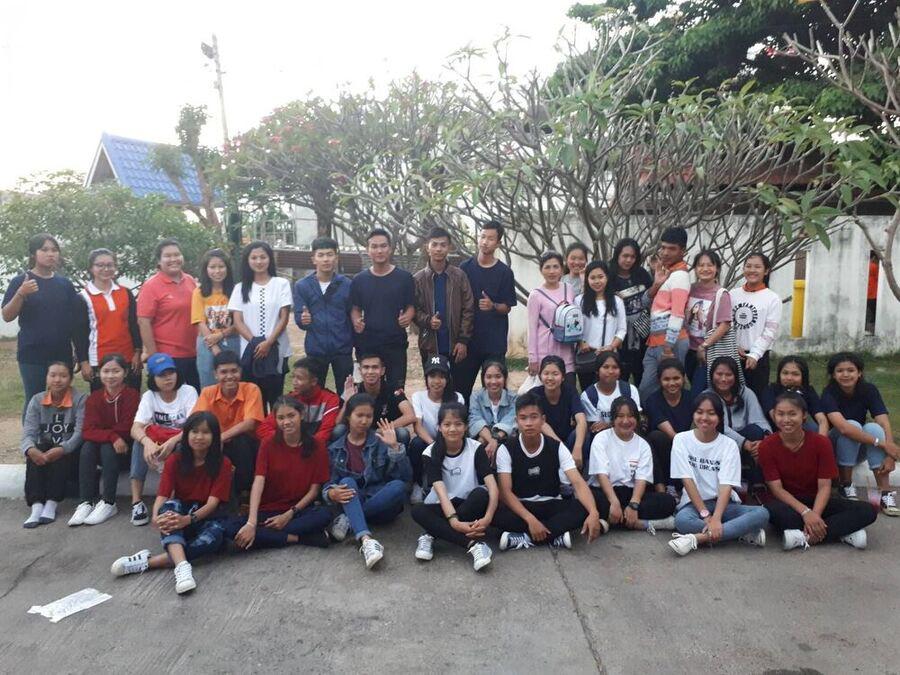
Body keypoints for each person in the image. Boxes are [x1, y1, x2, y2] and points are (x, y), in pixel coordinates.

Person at [110, 412, 232, 595]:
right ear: (186, 434)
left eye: (206, 432)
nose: (199, 437)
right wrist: (155, 516)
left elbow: (212, 504)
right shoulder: (175, 460)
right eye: (194, 431)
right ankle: (182, 568)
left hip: (206, 516)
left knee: (214, 538)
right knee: (168, 511)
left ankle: (148, 562)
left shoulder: (223, 463)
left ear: (214, 436)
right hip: (181, 510)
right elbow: (163, 494)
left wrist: (186, 520)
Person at [759, 392, 876, 551]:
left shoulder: (821, 443)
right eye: (781, 414)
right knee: (773, 513)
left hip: (818, 500)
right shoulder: (767, 446)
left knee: (867, 510)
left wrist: (814, 514)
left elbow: (825, 486)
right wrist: (806, 513)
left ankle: (802, 537)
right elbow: (777, 489)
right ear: (774, 415)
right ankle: (840, 533)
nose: (786, 419)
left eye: (792, 414)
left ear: (804, 415)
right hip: (788, 503)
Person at [492, 392, 603, 551]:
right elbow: (505, 492)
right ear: (516, 421)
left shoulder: (557, 447)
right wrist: (530, 519)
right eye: (523, 418)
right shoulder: (506, 449)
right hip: (522, 507)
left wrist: (593, 513)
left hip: (552, 504)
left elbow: (578, 482)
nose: (529, 423)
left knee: (584, 508)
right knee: (492, 512)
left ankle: (524, 538)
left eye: (534, 417)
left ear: (543, 420)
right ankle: (555, 536)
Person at [668, 393, 770, 556]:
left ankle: (697, 538)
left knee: (762, 514)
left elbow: (726, 485)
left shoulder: (729, 445)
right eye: (699, 412)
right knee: (682, 521)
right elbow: (687, 480)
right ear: (693, 414)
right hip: (695, 505)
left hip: (725, 504)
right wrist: (705, 515)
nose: (704, 418)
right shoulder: (681, 440)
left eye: (711, 413)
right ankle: (740, 533)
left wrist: (716, 518)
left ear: (720, 417)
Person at [225, 396, 333, 550]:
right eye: (281, 418)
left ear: (301, 415)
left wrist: (288, 515)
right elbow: (258, 481)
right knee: (230, 528)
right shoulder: (268, 444)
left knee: (324, 515)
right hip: (269, 509)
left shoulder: (317, 445)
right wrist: (251, 522)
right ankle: (301, 538)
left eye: (291, 416)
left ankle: (269, 536)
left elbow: (314, 490)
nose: (286, 422)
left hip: (298, 510)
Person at [324, 393, 413, 569]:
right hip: (353, 496)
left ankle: (351, 518)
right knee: (347, 482)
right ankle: (366, 540)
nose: (364, 421)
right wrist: (331, 493)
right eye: (359, 415)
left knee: (398, 486)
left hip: (381, 504)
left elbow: (405, 477)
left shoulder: (381, 442)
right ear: (348, 416)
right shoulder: (335, 449)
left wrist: (395, 447)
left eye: (369, 416)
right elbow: (328, 484)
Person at [411, 402, 499, 571]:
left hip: (468, 504)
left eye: (458, 424)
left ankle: (432, 532)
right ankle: (473, 544)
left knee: (481, 495)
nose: (452, 429)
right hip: (442, 504)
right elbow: (441, 492)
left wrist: (488, 517)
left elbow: (493, 487)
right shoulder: (429, 453)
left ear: (466, 427)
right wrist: (454, 522)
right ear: (439, 427)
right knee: (418, 511)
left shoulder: (476, 448)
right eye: (447, 424)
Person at [2, 234, 79, 415]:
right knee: (34, 400)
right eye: (44, 250)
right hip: (32, 353)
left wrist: (77, 349)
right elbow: (7, 316)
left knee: (62, 400)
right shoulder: (21, 281)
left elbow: (74, 320)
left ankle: (60, 434)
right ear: (33, 254)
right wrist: (21, 293)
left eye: (54, 250)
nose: (50, 254)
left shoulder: (65, 284)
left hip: (61, 352)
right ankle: (31, 434)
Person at [821, 352, 899, 515]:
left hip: (857, 447)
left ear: (859, 373)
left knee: (874, 428)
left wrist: (890, 453)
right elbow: (843, 428)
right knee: (852, 425)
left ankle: (885, 493)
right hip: (835, 449)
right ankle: (846, 485)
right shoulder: (829, 393)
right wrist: (882, 444)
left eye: (851, 370)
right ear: (833, 375)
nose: (846, 374)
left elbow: (883, 420)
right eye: (840, 371)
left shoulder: (869, 390)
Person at [69, 354, 140, 527]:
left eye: (116, 371)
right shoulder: (94, 397)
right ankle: (86, 502)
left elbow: (127, 427)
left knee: (106, 447)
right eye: (106, 371)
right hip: (104, 450)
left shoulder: (132, 396)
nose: (110, 376)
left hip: (125, 452)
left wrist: (110, 436)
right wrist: (112, 436)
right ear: (99, 373)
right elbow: (88, 430)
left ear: (125, 373)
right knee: (88, 446)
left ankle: (109, 502)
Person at [129, 352, 199, 527]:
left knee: (181, 447)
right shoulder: (149, 396)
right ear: (153, 378)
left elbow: (194, 425)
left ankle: (173, 499)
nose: (168, 378)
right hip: (158, 442)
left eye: (171, 372)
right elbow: (135, 428)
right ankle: (137, 502)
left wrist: (172, 441)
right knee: (138, 444)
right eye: (162, 375)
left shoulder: (188, 391)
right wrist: (147, 442)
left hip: (181, 440)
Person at [588, 397, 676, 533]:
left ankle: (609, 522)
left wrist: (634, 505)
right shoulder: (601, 438)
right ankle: (641, 523)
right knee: (588, 500)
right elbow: (601, 475)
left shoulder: (643, 445)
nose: (625, 421)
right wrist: (614, 503)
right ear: (613, 419)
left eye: (630, 416)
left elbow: (642, 479)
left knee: (668, 502)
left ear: (637, 419)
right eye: (620, 416)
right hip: (605, 492)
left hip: (631, 493)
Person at [20, 361, 87, 528]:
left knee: (60, 450)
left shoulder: (80, 399)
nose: (57, 380)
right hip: (45, 450)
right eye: (53, 375)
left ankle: (51, 503)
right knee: (35, 450)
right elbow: (28, 433)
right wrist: (30, 449)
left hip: (70, 453)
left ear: (70, 379)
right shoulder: (37, 400)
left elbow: (80, 433)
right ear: (46, 378)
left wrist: (63, 448)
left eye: (63, 376)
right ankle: (36, 506)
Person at [457, 220, 517, 403]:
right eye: (482, 237)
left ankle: (497, 420)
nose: (485, 242)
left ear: (498, 243)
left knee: (495, 389)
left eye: (490, 238)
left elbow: (507, 306)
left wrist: (493, 306)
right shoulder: (464, 268)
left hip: (494, 343)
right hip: (468, 341)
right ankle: (463, 420)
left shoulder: (504, 272)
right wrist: (460, 339)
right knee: (461, 389)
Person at [229, 241, 293, 412]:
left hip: (277, 349)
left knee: (276, 397)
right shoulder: (240, 288)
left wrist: (269, 342)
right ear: (247, 261)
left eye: (263, 257)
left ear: (269, 259)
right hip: (251, 351)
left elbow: (284, 317)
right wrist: (256, 343)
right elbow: (238, 321)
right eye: (254, 257)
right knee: (255, 399)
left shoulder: (281, 284)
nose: (259, 261)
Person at [192, 350, 265, 496]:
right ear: (215, 374)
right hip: (216, 443)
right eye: (224, 372)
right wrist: (172, 441)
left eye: (234, 371)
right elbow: (196, 421)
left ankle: (244, 492)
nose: (230, 376)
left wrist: (220, 438)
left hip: (245, 444)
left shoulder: (251, 389)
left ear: (240, 371)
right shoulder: (208, 392)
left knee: (241, 441)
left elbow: (250, 423)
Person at [349, 228, 416, 387]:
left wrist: (408, 316)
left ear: (390, 249)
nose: (379, 251)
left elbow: (411, 305)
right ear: (368, 250)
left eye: (383, 246)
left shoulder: (404, 278)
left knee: (396, 389)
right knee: (367, 389)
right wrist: (356, 321)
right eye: (374, 246)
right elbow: (355, 307)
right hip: (367, 343)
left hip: (395, 343)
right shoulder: (359, 280)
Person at [412, 226, 474, 387]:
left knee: (457, 388)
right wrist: (428, 320)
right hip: (430, 345)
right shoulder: (418, 279)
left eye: (443, 245)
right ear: (427, 247)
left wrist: (463, 340)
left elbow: (468, 308)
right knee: (434, 388)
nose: (438, 249)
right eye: (434, 244)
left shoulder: (459, 276)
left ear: (449, 247)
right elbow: (413, 310)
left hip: (455, 345)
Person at [74, 248, 142, 391]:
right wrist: (84, 362)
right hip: (99, 360)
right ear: (91, 268)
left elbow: (134, 325)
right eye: (100, 265)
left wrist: (137, 352)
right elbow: (79, 333)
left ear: (115, 267)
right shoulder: (82, 297)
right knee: (102, 401)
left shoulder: (125, 292)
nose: (106, 269)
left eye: (110, 265)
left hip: (128, 358)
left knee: (131, 400)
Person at [136, 238, 199, 391]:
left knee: (194, 398)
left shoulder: (190, 281)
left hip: (194, 353)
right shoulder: (151, 286)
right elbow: (143, 322)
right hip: (167, 357)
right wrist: (154, 356)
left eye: (177, 254)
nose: (173, 259)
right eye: (167, 256)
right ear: (159, 261)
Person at [293, 236, 354, 388]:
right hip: (316, 348)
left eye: (329, 254)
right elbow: (299, 318)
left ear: (336, 258)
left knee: (346, 390)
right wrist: (303, 319)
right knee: (314, 390)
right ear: (313, 259)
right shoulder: (302, 286)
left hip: (342, 348)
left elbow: (352, 314)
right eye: (321, 255)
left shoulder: (347, 284)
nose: (326, 259)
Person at [639, 227, 691, 400]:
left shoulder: (680, 276)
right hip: (655, 341)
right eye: (663, 247)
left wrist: (668, 346)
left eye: (672, 249)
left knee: (668, 390)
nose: (665, 253)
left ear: (682, 251)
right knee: (648, 390)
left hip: (670, 342)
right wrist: (657, 283)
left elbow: (677, 314)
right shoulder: (667, 273)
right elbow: (645, 303)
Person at [706, 356, 771, 488]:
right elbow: (717, 427)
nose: (723, 379)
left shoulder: (746, 393)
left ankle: (757, 484)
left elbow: (758, 419)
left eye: (728, 375)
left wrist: (765, 438)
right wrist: (743, 442)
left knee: (756, 432)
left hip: (747, 443)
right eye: (719, 374)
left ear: (735, 376)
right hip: (719, 442)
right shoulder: (707, 396)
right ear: (712, 375)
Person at [408, 355, 464, 502]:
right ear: (426, 378)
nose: (437, 381)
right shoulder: (418, 396)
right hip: (428, 441)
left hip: (450, 439)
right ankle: (417, 483)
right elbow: (417, 426)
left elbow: (459, 425)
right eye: (432, 376)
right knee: (416, 444)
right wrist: (433, 444)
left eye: (442, 376)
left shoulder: (457, 397)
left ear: (447, 379)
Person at [684, 249, 740, 394]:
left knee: (698, 392)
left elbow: (725, 325)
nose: (705, 269)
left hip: (708, 352)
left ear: (717, 269)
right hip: (687, 350)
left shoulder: (721, 294)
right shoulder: (689, 289)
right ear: (695, 269)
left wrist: (704, 346)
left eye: (710, 265)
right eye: (700, 265)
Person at [256, 357, 341, 451]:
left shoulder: (330, 399)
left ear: (314, 381)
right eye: (293, 377)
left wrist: (305, 446)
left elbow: (325, 432)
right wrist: (287, 442)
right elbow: (263, 428)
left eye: (299, 378)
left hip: (317, 448)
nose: (294, 382)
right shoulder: (289, 399)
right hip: (289, 446)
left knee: (339, 430)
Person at [730, 252, 781, 398]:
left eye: (757, 267)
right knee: (732, 397)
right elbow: (726, 325)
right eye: (748, 266)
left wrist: (754, 354)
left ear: (766, 271)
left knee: (755, 399)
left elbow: (770, 331)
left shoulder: (772, 298)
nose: (752, 270)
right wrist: (733, 345)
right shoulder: (732, 294)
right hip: (733, 355)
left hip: (758, 358)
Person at [580, 351, 641, 472]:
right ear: (597, 370)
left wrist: (608, 425)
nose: (611, 371)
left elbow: (636, 419)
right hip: (603, 440)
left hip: (629, 434)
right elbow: (595, 428)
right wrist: (613, 426)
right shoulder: (589, 395)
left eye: (615, 367)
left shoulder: (629, 390)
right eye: (606, 367)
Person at [335, 353, 416, 440]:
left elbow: (410, 415)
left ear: (382, 370)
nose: (370, 372)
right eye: (366, 367)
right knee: (339, 430)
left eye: (375, 367)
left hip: (384, 434)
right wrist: (347, 401)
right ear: (360, 371)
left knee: (402, 433)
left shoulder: (392, 389)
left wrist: (381, 430)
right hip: (359, 432)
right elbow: (338, 423)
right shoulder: (353, 389)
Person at [527, 251, 578, 387]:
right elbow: (532, 329)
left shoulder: (569, 289)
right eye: (547, 267)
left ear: (561, 269)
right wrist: (533, 358)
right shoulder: (535, 295)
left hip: (566, 351)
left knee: (568, 390)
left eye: (556, 267)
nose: (552, 271)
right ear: (541, 270)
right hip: (545, 351)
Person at [191, 248, 239, 389]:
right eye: (212, 267)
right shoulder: (199, 292)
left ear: (227, 268)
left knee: (232, 382)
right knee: (208, 383)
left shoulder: (236, 290)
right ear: (206, 269)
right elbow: (200, 321)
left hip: (232, 340)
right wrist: (214, 347)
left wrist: (221, 335)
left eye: (221, 266)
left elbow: (239, 322)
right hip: (207, 342)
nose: (217, 271)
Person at [644, 359, 693, 495]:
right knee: (657, 437)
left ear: (683, 378)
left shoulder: (692, 398)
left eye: (676, 378)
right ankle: (667, 486)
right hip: (665, 449)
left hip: (688, 445)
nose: (671, 383)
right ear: (659, 380)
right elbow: (668, 431)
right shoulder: (653, 400)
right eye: (666, 379)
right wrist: (683, 444)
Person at [575, 260, 626, 391]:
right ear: (587, 279)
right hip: (587, 355)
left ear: (607, 277)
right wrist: (581, 342)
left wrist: (611, 346)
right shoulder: (579, 300)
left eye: (600, 277)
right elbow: (575, 327)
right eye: (592, 278)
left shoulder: (617, 301)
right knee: (588, 392)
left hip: (609, 357)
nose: (597, 281)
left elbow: (622, 329)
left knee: (609, 391)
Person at [531, 355, 588, 471]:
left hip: (568, 440)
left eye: (555, 374)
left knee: (583, 435)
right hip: (547, 441)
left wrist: (577, 448)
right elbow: (541, 423)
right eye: (546, 373)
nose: (550, 378)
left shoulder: (570, 391)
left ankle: (581, 471)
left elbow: (581, 419)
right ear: (540, 376)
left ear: (563, 377)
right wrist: (562, 449)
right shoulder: (534, 394)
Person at [610, 238, 654, 385]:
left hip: (642, 331)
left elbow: (651, 297)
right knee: (619, 374)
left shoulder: (641, 274)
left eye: (632, 257)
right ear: (617, 255)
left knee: (641, 373)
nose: (628, 260)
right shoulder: (609, 275)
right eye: (625, 256)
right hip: (619, 333)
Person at [760, 356, 829, 435]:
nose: (789, 378)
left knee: (813, 428)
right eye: (785, 373)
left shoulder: (808, 390)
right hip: (776, 431)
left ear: (803, 376)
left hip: (801, 429)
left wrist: (822, 440)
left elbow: (821, 419)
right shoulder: (770, 389)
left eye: (795, 374)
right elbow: (774, 416)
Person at [468, 360, 517, 462]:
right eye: (489, 377)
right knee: (480, 442)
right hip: (484, 439)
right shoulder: (476, 397)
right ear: (483, 379)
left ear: (505, 378)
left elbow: (511, 421)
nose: (493, 381)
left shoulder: (513, 398)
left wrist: (495, 439)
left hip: (506, 438)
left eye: (498, 376)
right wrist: (492, 441)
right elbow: (475, 420)